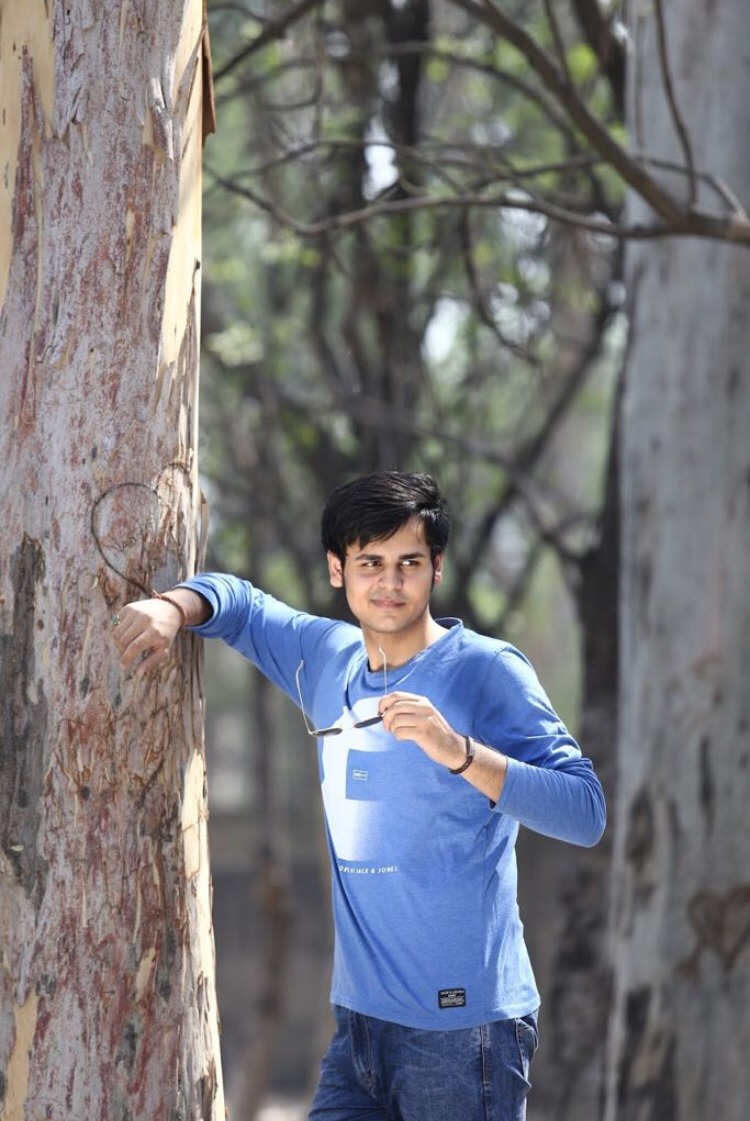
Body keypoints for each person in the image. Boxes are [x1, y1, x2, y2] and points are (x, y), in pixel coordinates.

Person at [111, 470, 606, 1121]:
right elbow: (241, 604)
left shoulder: (486, 669)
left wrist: (459, 751)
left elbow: (584, 811)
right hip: (359, 1027)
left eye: (409, 563)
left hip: (464, 1031)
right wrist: (174, 608)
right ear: (337, 569)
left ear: (436, 568)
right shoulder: (328, 657)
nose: (390, 583)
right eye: (370, 562)